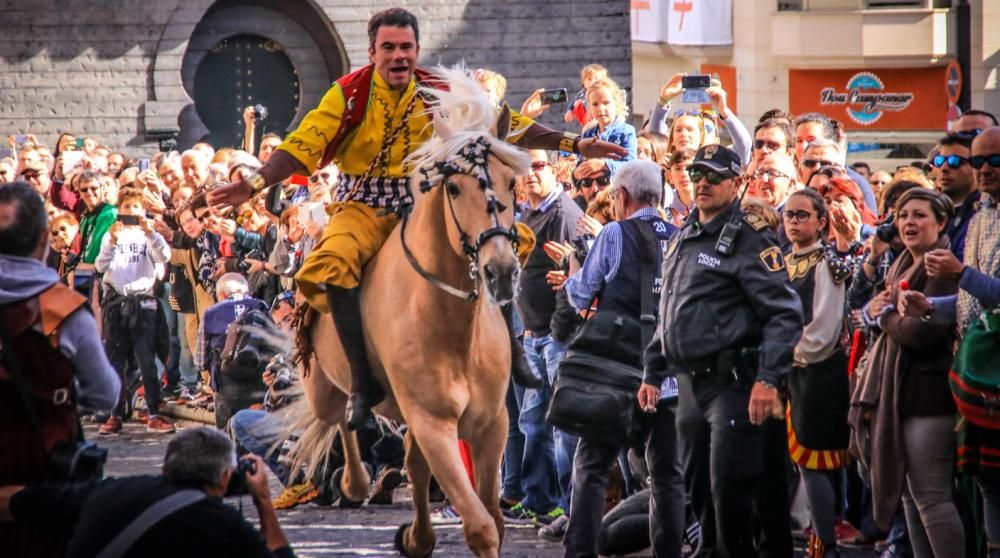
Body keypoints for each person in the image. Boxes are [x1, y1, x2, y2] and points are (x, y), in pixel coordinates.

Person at [207, 7, 626, 431]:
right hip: (364, 207)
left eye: (406, 47)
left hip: (424, 203)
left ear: (417, 50)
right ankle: (361, 382)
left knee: (500, 240)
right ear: (372, 51)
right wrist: (255, 182)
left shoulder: (439, 89)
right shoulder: (347, 94)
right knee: (331, 267)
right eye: (388, 47)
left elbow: (504, 125)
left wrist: (575, 144)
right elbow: (303, 144)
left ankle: (512, 353)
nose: (398, 56)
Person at [639, 144, 803, 557]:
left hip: (736, 381)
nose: (703, 183)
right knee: (700, 490)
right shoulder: (684, 236)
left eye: (714, 176)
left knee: (729, 488)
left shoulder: (750, 240)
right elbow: (670, 310)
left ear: (737, 183)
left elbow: (784, 314)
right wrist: (652, 371)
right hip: (691, 384)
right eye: (697, 175)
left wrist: (768, 378)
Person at [561, 160, 681, 558]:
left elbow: (581, 295)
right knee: (667, 475)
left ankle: (580, 552)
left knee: (592, 467)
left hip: (619, 371)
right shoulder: (681, 236)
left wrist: (572, 270)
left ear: (623, 196)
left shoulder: (614, 233)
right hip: (669, 378)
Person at [0, 181, 119, 558]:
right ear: (43, 238)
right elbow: (105, 393)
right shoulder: (62, 309)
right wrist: (55, 395)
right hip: (40, 472)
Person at [898, 126, 1000, 557]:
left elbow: (981, 289)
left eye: (992, 160)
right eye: (977, 161)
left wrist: (962, 275)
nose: (984, 170)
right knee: (986, 485)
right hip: (976, 374)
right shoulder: (980, 220)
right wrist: (928, 308)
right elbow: (968, 307)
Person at [851, 188, 964, 558]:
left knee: (931, 497)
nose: (909, 223)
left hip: (929, 396)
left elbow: (923, 331)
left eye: (919, 215)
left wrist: (885, 316)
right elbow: (870, 312)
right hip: (901, 394)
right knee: (912, 500)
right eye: (902, 216)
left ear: (941, 222)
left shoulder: (940, 265)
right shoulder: (902, 264)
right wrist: (884, 314)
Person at [0, 427, 296, 558]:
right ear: (225, 477)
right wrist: (263, 501)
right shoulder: (224, 525)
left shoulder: (109, 491)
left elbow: (14, 500)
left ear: (167, 467)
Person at [782, 188, 851, 558]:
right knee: (794, 463)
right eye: (789, 215)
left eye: (802, 215)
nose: (793, 222)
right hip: (789, 372)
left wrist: (784, 353)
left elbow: (824, 329)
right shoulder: (780, 261)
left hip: (818, 373)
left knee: (815, 462)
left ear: (821, 222)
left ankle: (826, 544)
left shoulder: (828, 263)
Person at [95, 189, 173, 435]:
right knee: (115, 361)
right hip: (117, 301)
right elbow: (100, 265)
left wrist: (151, 233)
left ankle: (154, 412)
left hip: (143, 303)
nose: (131, 213)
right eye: (126, 208)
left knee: (146, 361)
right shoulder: (111, 236)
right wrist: (113, 241)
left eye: (135, 208)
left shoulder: (148, 236)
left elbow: (164, 256)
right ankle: (114, 413)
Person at [195, 273, 270, 428]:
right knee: (257, 428)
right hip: (258, 382)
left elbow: (200, 360)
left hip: (226, 384)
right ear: (247, 291)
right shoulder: (261, 307)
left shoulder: (211, 313)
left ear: (221, 294)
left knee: (226, 433)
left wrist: (206, 372)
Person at [932, 133, 980, 260]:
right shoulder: (930, 211)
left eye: (955, 161)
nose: (944, 168)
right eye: (940, 161)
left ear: (976, 165)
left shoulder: (984, 213)